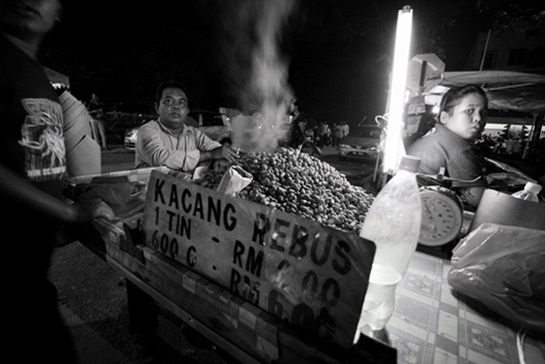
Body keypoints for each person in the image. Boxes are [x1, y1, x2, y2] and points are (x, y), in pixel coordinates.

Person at [0, 0, 115, 363]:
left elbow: (31, 165)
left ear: (60, 10)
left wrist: (52, 223)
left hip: (28, 275)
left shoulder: (39, 78)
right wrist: (68, 214)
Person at [407, 85, 489, 208]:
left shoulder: (434, 136)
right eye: (469, 111)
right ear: (445, 117)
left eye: (482, 113)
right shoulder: (455, 145)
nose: (478, 118)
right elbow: (480, 201)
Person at [135, 80, 239, 172]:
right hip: (150, 191)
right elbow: (159, 158)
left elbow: (215, 148)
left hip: (183, 191)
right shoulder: (148, 130)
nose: (176, 106)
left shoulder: (193, 133)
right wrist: (209, 155)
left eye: (181, 103)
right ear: (157, 107)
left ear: (187, 111)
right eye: (168, 101)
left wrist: (221, 156)